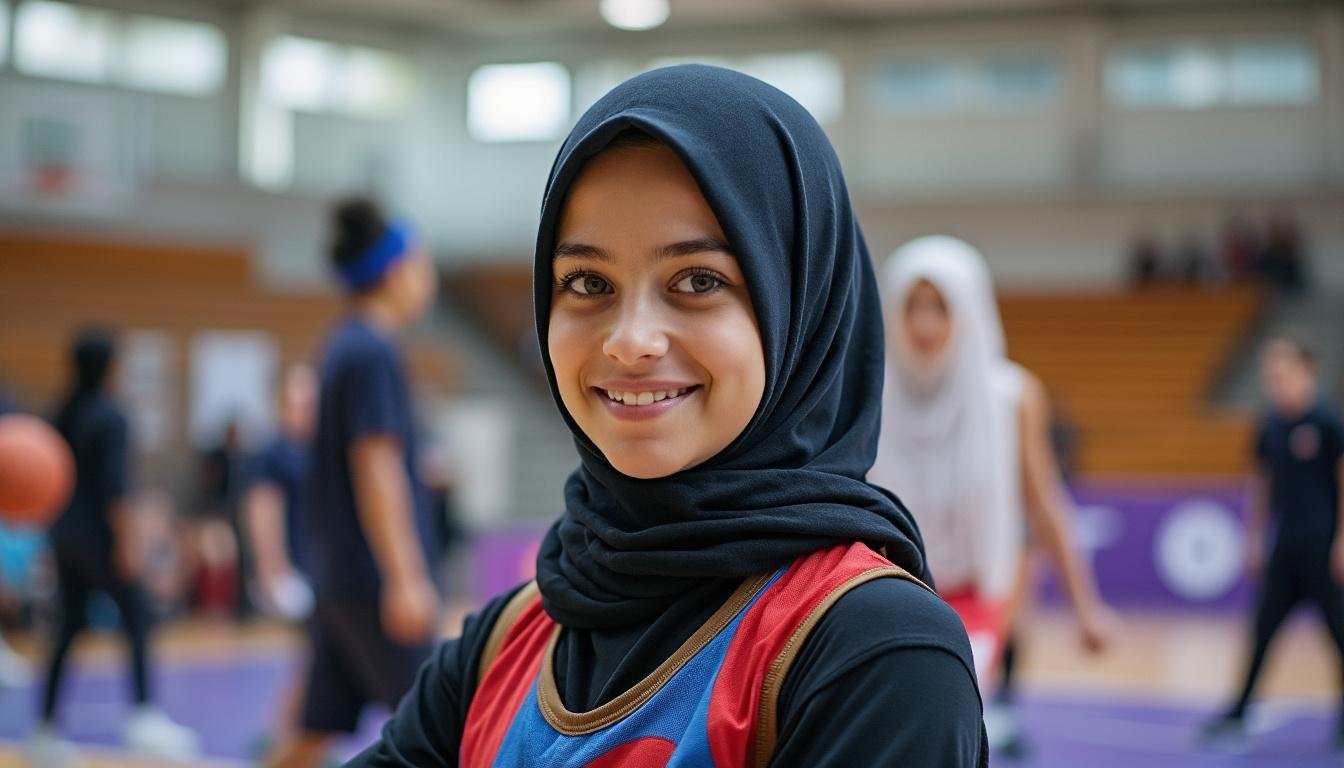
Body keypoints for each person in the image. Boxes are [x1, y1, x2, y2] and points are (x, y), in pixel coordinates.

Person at [351, 65, 986, 767]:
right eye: (588, 283)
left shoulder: (877, 654)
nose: (629, 340)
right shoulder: (507, 638)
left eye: (698, 281)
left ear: (800, 309)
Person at [869, 236, 1114, 751]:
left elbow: (1044, 501)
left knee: (941, 726)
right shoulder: (870, 391)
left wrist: (1084, 605)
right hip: (888, 591)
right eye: (912, 306)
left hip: (979, 597)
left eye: (941, 306)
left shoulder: (1011, 396)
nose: (925, 324)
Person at [265, 198, 441, 768]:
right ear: (395, 272)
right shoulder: (372, 350)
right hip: (371, 584)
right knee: (442, 734)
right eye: (421, 262)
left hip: (338, 578)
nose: (427, 275)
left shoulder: (341, 343)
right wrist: (405, 576)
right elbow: (376, 465)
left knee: (314, 731)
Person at [28, 329, 199, 765]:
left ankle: (44, 730)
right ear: (109, 366)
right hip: (103, 539)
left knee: (66, 631)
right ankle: (143, 719)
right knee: (138, 619)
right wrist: (129, 545)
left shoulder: (61, 412)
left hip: (65, 538)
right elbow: (115, 490)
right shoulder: (112, 416)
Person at [1203, 337, 1344, 750]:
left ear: (1306, 373)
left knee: (1339, 635)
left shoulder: (1328, 424)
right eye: (1270, 378)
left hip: (1322, 548)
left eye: (1282, 375)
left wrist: (1341, 541)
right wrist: (1253, 537)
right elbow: (1262, 483)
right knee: (1262, 631)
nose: (1275, 384)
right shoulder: (1270, 427)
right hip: (1285, 548)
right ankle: (1238, 710)